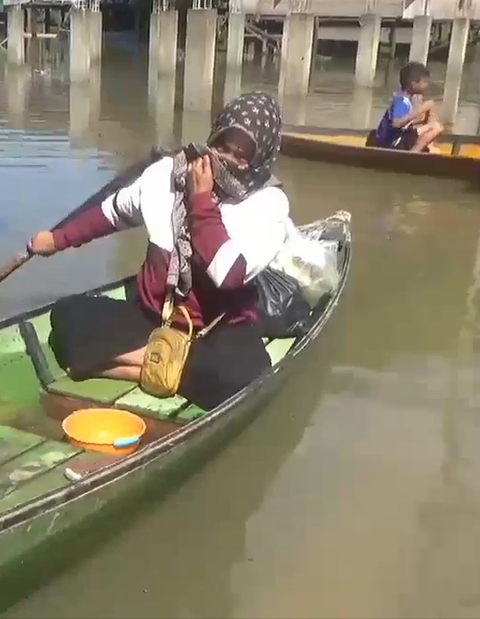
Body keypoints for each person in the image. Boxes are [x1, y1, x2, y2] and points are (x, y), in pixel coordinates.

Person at [28, 92, 293, 410]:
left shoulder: (268, 204)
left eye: (243, 154)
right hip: (152, 320)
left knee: (247, 375)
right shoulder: (165, 174)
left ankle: (143, 366)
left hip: (215, 331)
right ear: (213, 136)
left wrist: (200, 202)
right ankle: (166, 369)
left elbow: (227, 274)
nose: (229, 161)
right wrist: (56, 240)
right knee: (67, 317)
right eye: (223, 146)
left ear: (261, 158)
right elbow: (112, 213)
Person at [370, 61, 445, 153]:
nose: (427, 85)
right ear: (413, 84)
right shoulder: (401, 101)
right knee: (437, 127)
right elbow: (396, 123)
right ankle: (412, 154)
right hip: (392, 144)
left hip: (400, 138)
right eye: (424, 82)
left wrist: (425, 116)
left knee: (434, 150)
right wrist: (421, 109)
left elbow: (406, 123)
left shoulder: (407, 100)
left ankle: (420, 150)